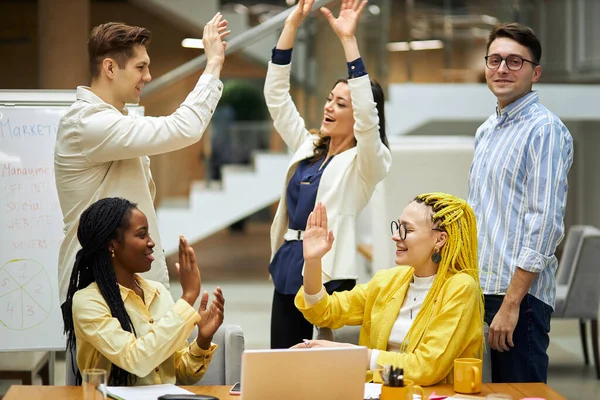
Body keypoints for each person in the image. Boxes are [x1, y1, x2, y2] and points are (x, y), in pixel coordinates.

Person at [54, 14, 229, 306]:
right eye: (140, 67)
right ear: (110, 68)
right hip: (100, 289)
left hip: (131, 283)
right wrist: (212, 64)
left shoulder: (114, 119)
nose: (148, 76)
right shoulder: (87, 123)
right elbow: (183, 128)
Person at [264, 0, 392, 349]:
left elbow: (368, 117)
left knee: (321, 364)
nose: (328, 106)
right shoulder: (308, 146)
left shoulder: (368, 162)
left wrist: (348, 41)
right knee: (283, 359)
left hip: (331, 271)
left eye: (340, 103)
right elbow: (276, 98)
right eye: (329, 98)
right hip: (289, 263)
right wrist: (290, 27)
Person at [468, 23, 573, 383]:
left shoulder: (545, 130)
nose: (502, 69)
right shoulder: (486, 131)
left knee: (521, 394)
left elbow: (544, 223)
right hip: (479, 290)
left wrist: (512, 304)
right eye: (495, 60)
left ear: (535, 72)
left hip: (519, 299)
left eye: (515, 61)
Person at [293, 194, 484, 386]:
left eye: (407, 230)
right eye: (398, 226)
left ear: (440, 239)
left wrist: (353, 355)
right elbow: (323, 311)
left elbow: (425, 368)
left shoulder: (461, 288)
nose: (395, 236)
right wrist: (313, 261)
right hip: (377, 392)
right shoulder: (389, 281)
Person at [62, 197, 225, 386]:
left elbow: (181, 373)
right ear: (112, 245)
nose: (151, 242)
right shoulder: (88, 302)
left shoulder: (158, 292)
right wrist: (188, 298)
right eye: (142, 235)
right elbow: (137, 360)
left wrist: (203, 340)